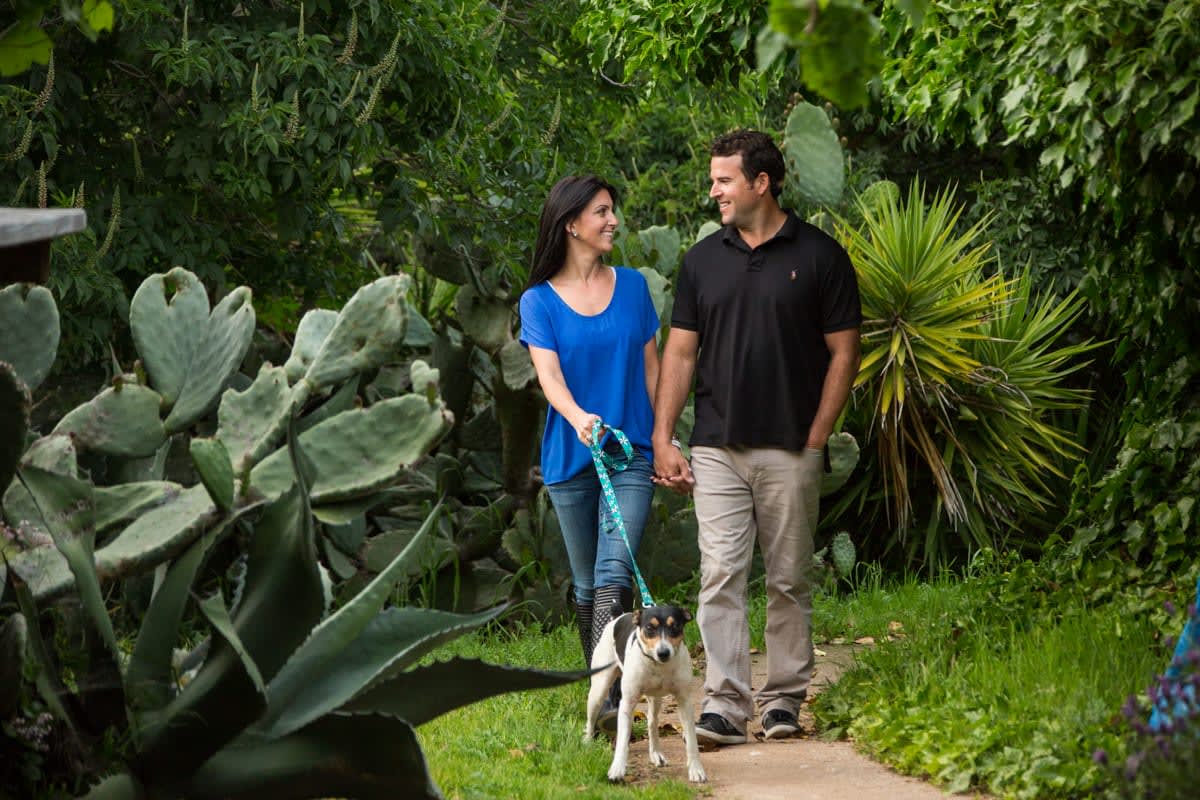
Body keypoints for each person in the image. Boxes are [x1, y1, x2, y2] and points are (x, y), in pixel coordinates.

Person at [652, 130, 862, 745]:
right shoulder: (701, 261)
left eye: (724, 179)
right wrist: (665, 436)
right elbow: (681, 354)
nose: (713, 189)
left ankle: (784, 702)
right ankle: (725, 703)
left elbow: (844, 352)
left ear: (760, 184)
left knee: (789, 576)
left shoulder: (822, 256)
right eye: (714, 179)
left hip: (792, 447)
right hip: (716, 444)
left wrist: (818, 436)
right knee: (719, 572)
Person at [519, 174, 663, 731]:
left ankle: (609, 699)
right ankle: (601, 689)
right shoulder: (538, 302)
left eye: (613, 211)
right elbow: (549, 378)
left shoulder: (633, 288)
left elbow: (652, 373)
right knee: (585, 585)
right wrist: (579, 417)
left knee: (613, 569)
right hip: (570, 456)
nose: (614, 221)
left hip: (630, 452)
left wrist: (666, 438)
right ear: (571, 223)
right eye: (603, 212)